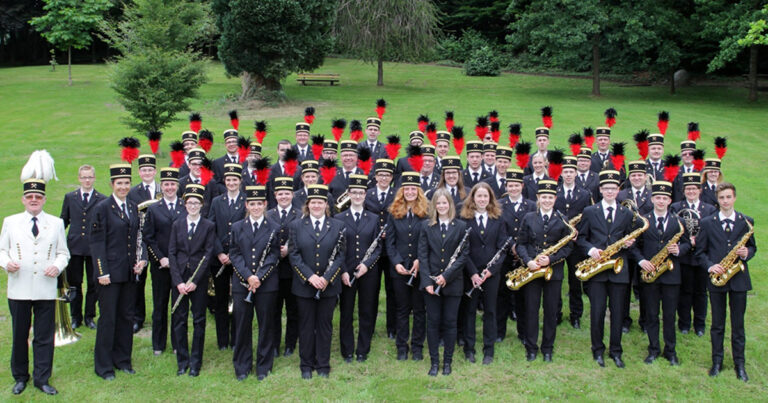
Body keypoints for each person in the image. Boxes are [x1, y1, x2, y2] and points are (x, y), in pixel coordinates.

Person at [1, 178, 69, 395]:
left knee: (44, 336)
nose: (33, 200)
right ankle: (20, 377)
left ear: (44, 199)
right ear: (23, 199)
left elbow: (63, 253)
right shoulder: (10, 222)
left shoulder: (55, 223)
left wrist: (57, 267)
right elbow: (2, 250)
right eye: (30, 197)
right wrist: (6, 263)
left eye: (38, 197)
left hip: (45, 288)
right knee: (20, 334)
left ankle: (42, 378)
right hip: (19, 287)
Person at [576, 169, 640, 369]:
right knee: (597, 311)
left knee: (618, 313)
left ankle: (616, 351)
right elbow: (581, 239)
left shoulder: (627, 213)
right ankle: (597, 350)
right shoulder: (590, 211)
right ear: (601, 190)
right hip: (597, 270)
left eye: (613, 188)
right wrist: (592, 250)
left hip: (619, 270)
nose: (610, 191)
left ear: (618, 190)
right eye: (606, 188)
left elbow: (633, 239)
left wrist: (630, 244)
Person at [90, 163, 147, 380]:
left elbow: (139, 237)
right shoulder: (102, 208)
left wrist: (141, 260)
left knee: (126, 317)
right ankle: (104, 366)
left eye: (126, 183)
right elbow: (96, 243)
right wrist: (102, 272)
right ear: (112, 184)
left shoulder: (133, 207)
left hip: (130, 273)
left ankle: (123, 360)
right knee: (108, 319)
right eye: (119, 183)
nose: (123, 187)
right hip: (109, 275)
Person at [695, 182, 755, 382]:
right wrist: (710, 266)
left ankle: (740, 365)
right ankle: (717, 362)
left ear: (734, 198)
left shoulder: (747, 222)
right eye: (722, 198)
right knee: (717, 325)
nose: (725, 201)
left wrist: (747, 253)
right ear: (717, 200)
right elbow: (700, 252)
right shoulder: (707, 222)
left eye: (728, 197)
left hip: (739, 280)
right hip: (717, 279)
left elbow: (753, 248)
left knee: (738, 325)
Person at [288, 184, 346, 379]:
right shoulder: (296, 226)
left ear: (326, 204)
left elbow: (340, 256)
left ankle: (323, 364)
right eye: (313, 202)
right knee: (305, 325)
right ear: (308, 204)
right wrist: (310, 277)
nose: (317, 205)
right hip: (304, 286)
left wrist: (326, 278)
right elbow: (294, 256)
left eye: (320, 202)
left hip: (329, 286)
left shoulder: (337, 226)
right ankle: (306, 364)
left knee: (324, 325)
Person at [631, 181, 689, 366]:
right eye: (658, 198)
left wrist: (679, 249)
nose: (661, 201)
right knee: (652, 314)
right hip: (650, 273)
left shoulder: (679, 222)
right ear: (652, 199)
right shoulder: (643, 221)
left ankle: (670, 351)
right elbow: (634, 247)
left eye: (665, 198)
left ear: (670, 200)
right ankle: (653, 349)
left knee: (670, 315)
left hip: (671, 276)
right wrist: (642, 261)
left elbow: (688, 244)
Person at [516, 179, 573, 362]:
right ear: (538, 197)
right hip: (532, 271)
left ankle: (547, 347)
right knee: (531, 310)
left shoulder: (563, 220)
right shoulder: (529, 218)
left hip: (553, 272)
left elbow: (567, 248)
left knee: (550, 311)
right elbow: (521, 244)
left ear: (555, 198)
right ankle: (531, 347)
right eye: (544, 197)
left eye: (550, 197)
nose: (547, 200)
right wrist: (527, 261)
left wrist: (551, 259)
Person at [229, 185, 281, 381]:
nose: (256, 207)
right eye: (253, 204)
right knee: (242, 325)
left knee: (266, 325)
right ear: (247, 205)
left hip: (266, 285)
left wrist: (259, 276)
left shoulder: (274, 228)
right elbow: (234, 253)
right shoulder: (236, 227)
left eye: (260, 204)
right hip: (242, 285)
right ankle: (242, 366)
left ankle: (263, 366)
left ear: (265, 204)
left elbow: (274, 254)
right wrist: (247, 276)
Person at [419, 188, 469, 376]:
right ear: (434, 205)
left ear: (450, 205)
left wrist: (446, 277)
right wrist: (427, 282)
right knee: (432, 323)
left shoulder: (461, 227)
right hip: (431, 283)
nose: (441, 206)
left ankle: (447, 362)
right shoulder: (426, 226)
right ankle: (434, 362)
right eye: (438, 203)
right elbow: (422, 255)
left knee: (450, 323)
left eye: (444, 203)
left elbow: (463, 257)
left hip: (453, 283)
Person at [169, 184, 215, 377]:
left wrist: (195, 281)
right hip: (179, 280)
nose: (193, 206)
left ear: (201, 205)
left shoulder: (208, 226)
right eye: (190, 203)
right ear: (185, 204)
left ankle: (195, 362)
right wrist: (179, 281)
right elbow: (171, 253)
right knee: (179, 321)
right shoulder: (177, 224)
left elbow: (208, 254)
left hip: (198, 280)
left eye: (196, 203)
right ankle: (182, 361)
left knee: (198, 320)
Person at [460, 182, 507, 365]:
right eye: (478, 196)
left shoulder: (499, 219)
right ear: (473, 198)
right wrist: (472, 273)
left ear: (490, 199)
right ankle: (469, 349)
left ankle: (489, 349)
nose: (481, 199)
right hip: (470, 273)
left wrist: (491, 271)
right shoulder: (464, 220)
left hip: (491, 274)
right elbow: (463, 249)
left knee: (490, 311)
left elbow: (502, 248)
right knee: (469, 311)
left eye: (485, 196)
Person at [337, 174, 383, 363]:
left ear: (365, 195)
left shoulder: (373, 219)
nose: (357, 196)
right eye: (354, 192)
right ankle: (347, 350)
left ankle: (363, 349)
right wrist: (343, 271)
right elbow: (337, 248)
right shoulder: (339, 218)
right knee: (346, 312)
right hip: (346, 273)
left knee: (367, 310)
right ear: (348, 194)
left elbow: (378, 246)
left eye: (360, 193)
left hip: (368, 272)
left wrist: (366, 265)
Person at [142, 167, 186, 355]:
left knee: (178, 306)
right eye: (166, 184)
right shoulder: (153, 209)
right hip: (160, 266)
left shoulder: (185, 207)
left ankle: (178, 343)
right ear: (162, 186)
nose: (169, 187)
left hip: (180, 266)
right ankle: (158, 344)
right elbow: (148, 237)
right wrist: (161, 257)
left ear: (177, 186)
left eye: (172, 184)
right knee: (160, 305)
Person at [385, 172, 428, 361]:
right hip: (400, 270)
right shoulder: (394, 213)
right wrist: (396, 263)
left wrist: (420, 259)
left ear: (418, 191)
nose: (410, 192)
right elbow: (390, 243)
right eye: (406, 189)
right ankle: (402, 347)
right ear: (401, 191)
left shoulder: (426, 213)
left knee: (419, 310)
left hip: (421, 268)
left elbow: (428, 241)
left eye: (413, 189)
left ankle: (417, 346)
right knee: (402, 309)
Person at [670, 172, 717, 336]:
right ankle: (683, 323)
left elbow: (713, 232)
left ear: (700, 190)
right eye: (688, 189)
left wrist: (699, 240)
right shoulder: (676, 207)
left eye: (694, 189)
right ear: (683, 191)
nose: (691, 191)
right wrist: (686, 240)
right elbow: (672, 230)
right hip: (683, 256)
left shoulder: (709, 209)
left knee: (701, 292)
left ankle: (700, 325)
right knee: (684, 291)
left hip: (702, 256)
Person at [59, 164, 105, 330]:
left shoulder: (102, 199)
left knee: (93, 283)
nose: (87, 180)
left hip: (93, 248)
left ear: (94, 178)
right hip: (75, 246)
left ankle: (89, 316)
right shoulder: (70, 197)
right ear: (79, 178)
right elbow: (63, 220)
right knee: (74, 283)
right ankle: (75, 316)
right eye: (84, 177)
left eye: (90, 177)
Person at [207, 163, 245, 351]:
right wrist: (220, 252)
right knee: (220, 299)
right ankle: (222, 340)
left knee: (238, 300)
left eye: (234, 180)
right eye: (228, 180)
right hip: (219, 259)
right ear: (225, 181)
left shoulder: (247, 200)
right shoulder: (216, 201)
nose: (231, 183)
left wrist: (234, 253)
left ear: (240, 181)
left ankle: (237, 338)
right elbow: (210, 229)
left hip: (240, 259)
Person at [497, 168, 536, 343]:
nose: (513, 188)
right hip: (504, 256)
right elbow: (499, 230)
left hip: (525, 257)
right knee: (502, 294)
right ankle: (499, 331)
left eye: (516, 185)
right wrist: (512, 246)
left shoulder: (532, 205)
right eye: (510, 185)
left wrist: (520, 248)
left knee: (523, 297)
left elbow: (532, 230)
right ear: (506, 186)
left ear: (522, 185)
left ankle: (523, 333)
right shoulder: (499, 205)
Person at [554, 156, 592, 329]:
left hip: (576, 244)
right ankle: (557, 313)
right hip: (558, 242)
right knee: (556, 279)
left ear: (576, 173)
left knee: (575, 281)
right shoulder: (554, 192)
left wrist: (579, 233)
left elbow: (587, 218)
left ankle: (576, 315)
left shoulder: (585, 194)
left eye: (571, 171)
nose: (568, 174)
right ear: (561, 173)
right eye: (565, 171)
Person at [267, 177, 301, 358]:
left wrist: (289, 249)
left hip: (293, 270)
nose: (283, 196)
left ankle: (290, 343)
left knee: (292, 309)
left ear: (292, 195)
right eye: (280, 194)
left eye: (287, 193)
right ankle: (274, 344)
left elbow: (304, 240)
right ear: (275, 195)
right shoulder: (268, 214)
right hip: (272, 270)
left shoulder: (299, 214)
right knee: (274, 309)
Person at [365, 159, 397, 339]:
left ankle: (392, 327)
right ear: (375, 176)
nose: (384, 177)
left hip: (391, 249)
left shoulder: (396, 194)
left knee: (392, 290)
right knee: (371, 291)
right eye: (381, 174)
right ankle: (369, 327)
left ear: (392, 177)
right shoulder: (367, 194)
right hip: (372, 249)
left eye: (387, 175)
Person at [127, 154, 159, 333]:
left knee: (159, 284)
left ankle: (158, 316)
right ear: (139, 172)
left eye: (150, 169)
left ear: (155, 171)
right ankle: (137, 317)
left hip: (159, 243)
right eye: (144, 170)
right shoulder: (133, 192)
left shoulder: (163, 189)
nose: (147, 172)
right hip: (140, 242)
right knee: (138, 281)